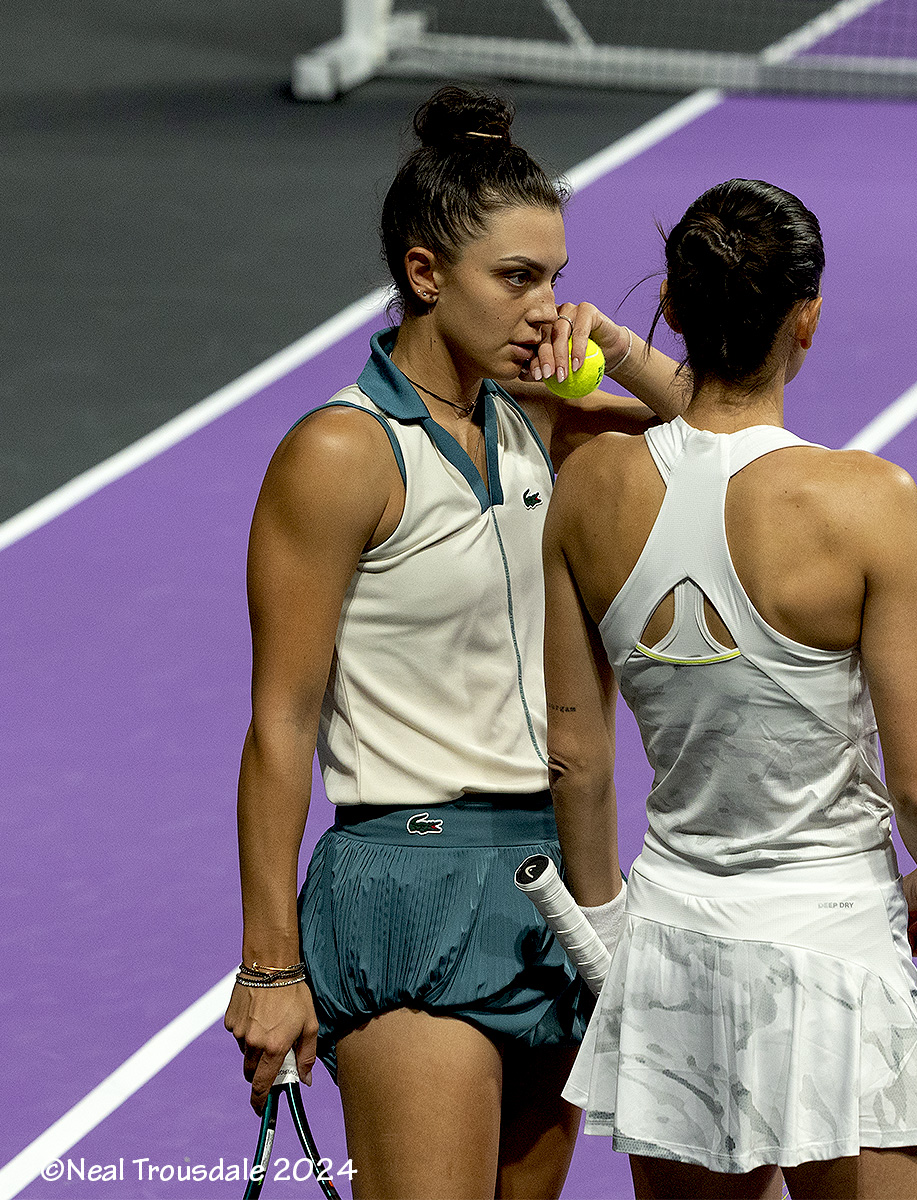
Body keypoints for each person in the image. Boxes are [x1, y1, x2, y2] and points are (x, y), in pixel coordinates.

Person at [223, 85, 687, 1200]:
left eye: (557, 278)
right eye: (516, 278)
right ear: (426, 273)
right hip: (408, 891)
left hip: (561, 889)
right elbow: (281, 725)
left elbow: (718, 431)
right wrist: (269, 966)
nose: (546, 308)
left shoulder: (538, 417)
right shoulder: (340, 455)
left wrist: (614, 346)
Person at [543, 178, 917, 1200]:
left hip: (671, 953)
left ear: (674, 304)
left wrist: (607, 935)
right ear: (806, 317)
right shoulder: (866, 501)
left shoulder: (589, 488)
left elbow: (575, 759)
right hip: (835, 954)